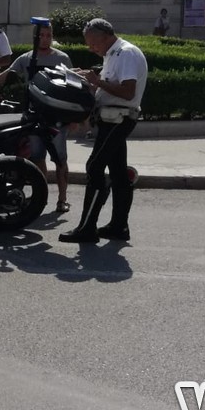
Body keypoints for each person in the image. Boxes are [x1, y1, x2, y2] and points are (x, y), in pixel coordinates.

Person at [60, 18, 147, 244]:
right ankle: (119, 227)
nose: (91, 48)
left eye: (93, 43)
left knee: (94, 167)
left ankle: (87, 228)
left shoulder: (125, 53)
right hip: (112, 118)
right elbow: (111, 85)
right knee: (118, 173)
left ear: (107, 37)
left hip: (119, 119)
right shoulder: (113, 53)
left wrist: (97, 82)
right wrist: (87, 79)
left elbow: (128, 92)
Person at [0, 23, 74, 213]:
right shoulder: (26, 58)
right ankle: (41, 198)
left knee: (60, 160)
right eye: (42, 35)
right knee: (37, 158)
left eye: (49, 35)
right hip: (34, 117)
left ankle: (62, 199)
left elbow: (73, 85)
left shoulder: (62, 58)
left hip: (57, 118)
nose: (45, 39)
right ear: (35, 37)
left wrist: (76, 119)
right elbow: (5, 75)